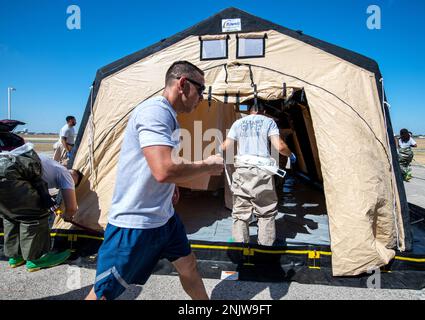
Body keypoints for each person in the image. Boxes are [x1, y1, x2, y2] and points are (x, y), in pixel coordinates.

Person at [85, 61, 223, 300]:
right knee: (103, 293)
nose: (202, 97)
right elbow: (163, 170)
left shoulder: (169, 116)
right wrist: (208, 165)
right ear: (182, 84)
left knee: (188, 265)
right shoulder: (155, 111)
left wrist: (173, 187)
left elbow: (160, 166)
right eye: (201, 89)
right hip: (135, 223)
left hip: (165, 218)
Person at [220, 103, 295, 246]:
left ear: (250, 111)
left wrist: (218, 150)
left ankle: (240, 248)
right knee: (266, 212)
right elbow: (280, 146)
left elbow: (225, 146)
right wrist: (290, 155)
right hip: (262, 172)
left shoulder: (238, 123)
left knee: (241, 212)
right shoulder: (269, 122)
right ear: (264, 111)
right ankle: (265, 250)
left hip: (242, 170)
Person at [2, 150, 83, 272]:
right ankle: (37, 258)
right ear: (75, 179)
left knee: (12, 215)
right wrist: (68, 216)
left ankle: (16, 256)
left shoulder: (51, 165)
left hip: (4, 168)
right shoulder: (67, 175)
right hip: (12, 177)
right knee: (36, 215)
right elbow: (71, 207)